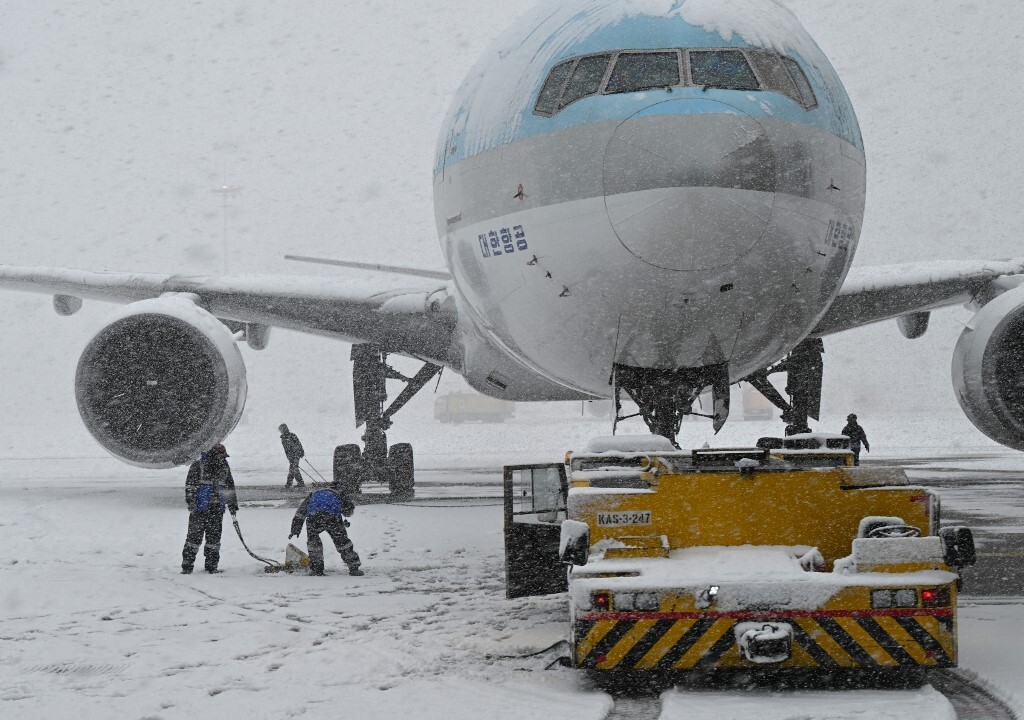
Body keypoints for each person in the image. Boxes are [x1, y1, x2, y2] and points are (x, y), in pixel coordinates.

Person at [181, 444, 238, 574]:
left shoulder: (225, 466)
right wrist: (191, 503)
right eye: (221, 456)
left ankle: (212, 567)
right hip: (199, 510)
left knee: (214, 541)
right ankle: (187, 567)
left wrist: (232, 505)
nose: (223, 459)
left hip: (217, 510)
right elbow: (190, 487)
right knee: (193, 540)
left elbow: (230, 487)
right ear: (214, 455)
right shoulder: (198, 466)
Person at [289, 483, 363, 576]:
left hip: (313, 517)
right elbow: (348, 511)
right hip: (332, 518)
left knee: (314, 544)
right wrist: (346, 513)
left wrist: (295, 528)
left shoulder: (313, 495)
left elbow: (300, 513)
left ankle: (317, 569)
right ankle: (353, 567)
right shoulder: (339, 494)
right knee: (342, 543)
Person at [278, 423, 305, 488]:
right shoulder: (283, 438)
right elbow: (286, 449)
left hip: (296, 455)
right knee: (292, 469)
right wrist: (289, 457)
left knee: (294, 469)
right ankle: (290, 483)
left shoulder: (292, 436)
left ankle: (299, 483)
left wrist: (301, 452)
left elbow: (298, 444)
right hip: (291, 456)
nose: (280, 431)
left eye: (281, 429)